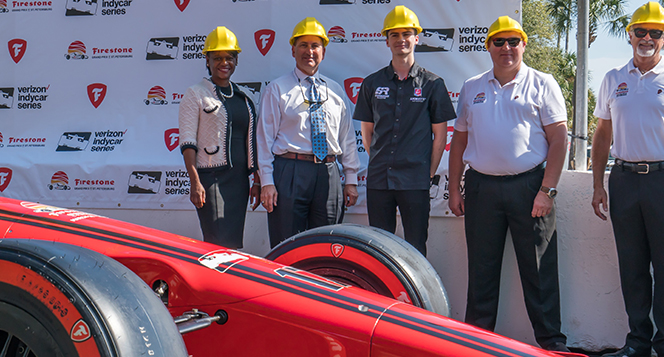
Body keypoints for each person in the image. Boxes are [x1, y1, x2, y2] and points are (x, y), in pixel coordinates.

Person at [591, 2, 664, 357]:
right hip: (624, 179)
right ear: (630, 35)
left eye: (655, 33)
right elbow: (602, 134)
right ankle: (637, 343)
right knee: (632, 265)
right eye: (640, 31)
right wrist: (598, 184)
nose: (647, 38)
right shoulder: (613, 78)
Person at [448, 16, 569, 352]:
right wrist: (455, 188)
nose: (506, 48)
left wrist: (547, 190)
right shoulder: (473, 86)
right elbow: (459, 141)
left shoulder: (543, 83)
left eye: (513, 41)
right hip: (481, 189)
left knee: (539, 270)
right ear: (488, 46)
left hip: (530, 188)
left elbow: (559, 140)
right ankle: (476, 344)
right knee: (482, 269)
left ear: (524, 45)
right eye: (499, 42)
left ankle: (552, 345)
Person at [353, 5, 456, 256]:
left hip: (415, 182)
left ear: (416, 38)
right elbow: (367, 132)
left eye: (406, 34)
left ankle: (413, 297)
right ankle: (383, 297)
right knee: (378, 249)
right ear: (386, 40)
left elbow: (440, 137)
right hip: (379, 181)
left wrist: (427, 173)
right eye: (395, 35)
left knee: (416, 248)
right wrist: (379, 160)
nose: (401, 40)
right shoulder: (372, 83)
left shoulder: (433, 84)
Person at [258, 17, 359, 248]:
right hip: (290, 173)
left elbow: (348, 139)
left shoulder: (336, 91)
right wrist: (267, 182)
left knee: (327, 245)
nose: (309, 51)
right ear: (293, 50)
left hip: (329, 174)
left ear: (323, 51)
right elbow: (264, 140)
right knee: (286, 245)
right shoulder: (277, 89)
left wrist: (350, 180)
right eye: (303, 45)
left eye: (315, 46)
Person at [179, 26, 260, 249]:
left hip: (239, 182)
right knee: (217, 242)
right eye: (217, 58)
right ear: (207, 60)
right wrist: (195, 181)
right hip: (211, 179)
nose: (224, 63)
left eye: (229, 57)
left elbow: (251, 142)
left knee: (233, 243)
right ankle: (212, 284)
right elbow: (187, 142)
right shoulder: (195, 93)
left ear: (236, 60)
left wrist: (257, 179)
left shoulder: (244, 97)